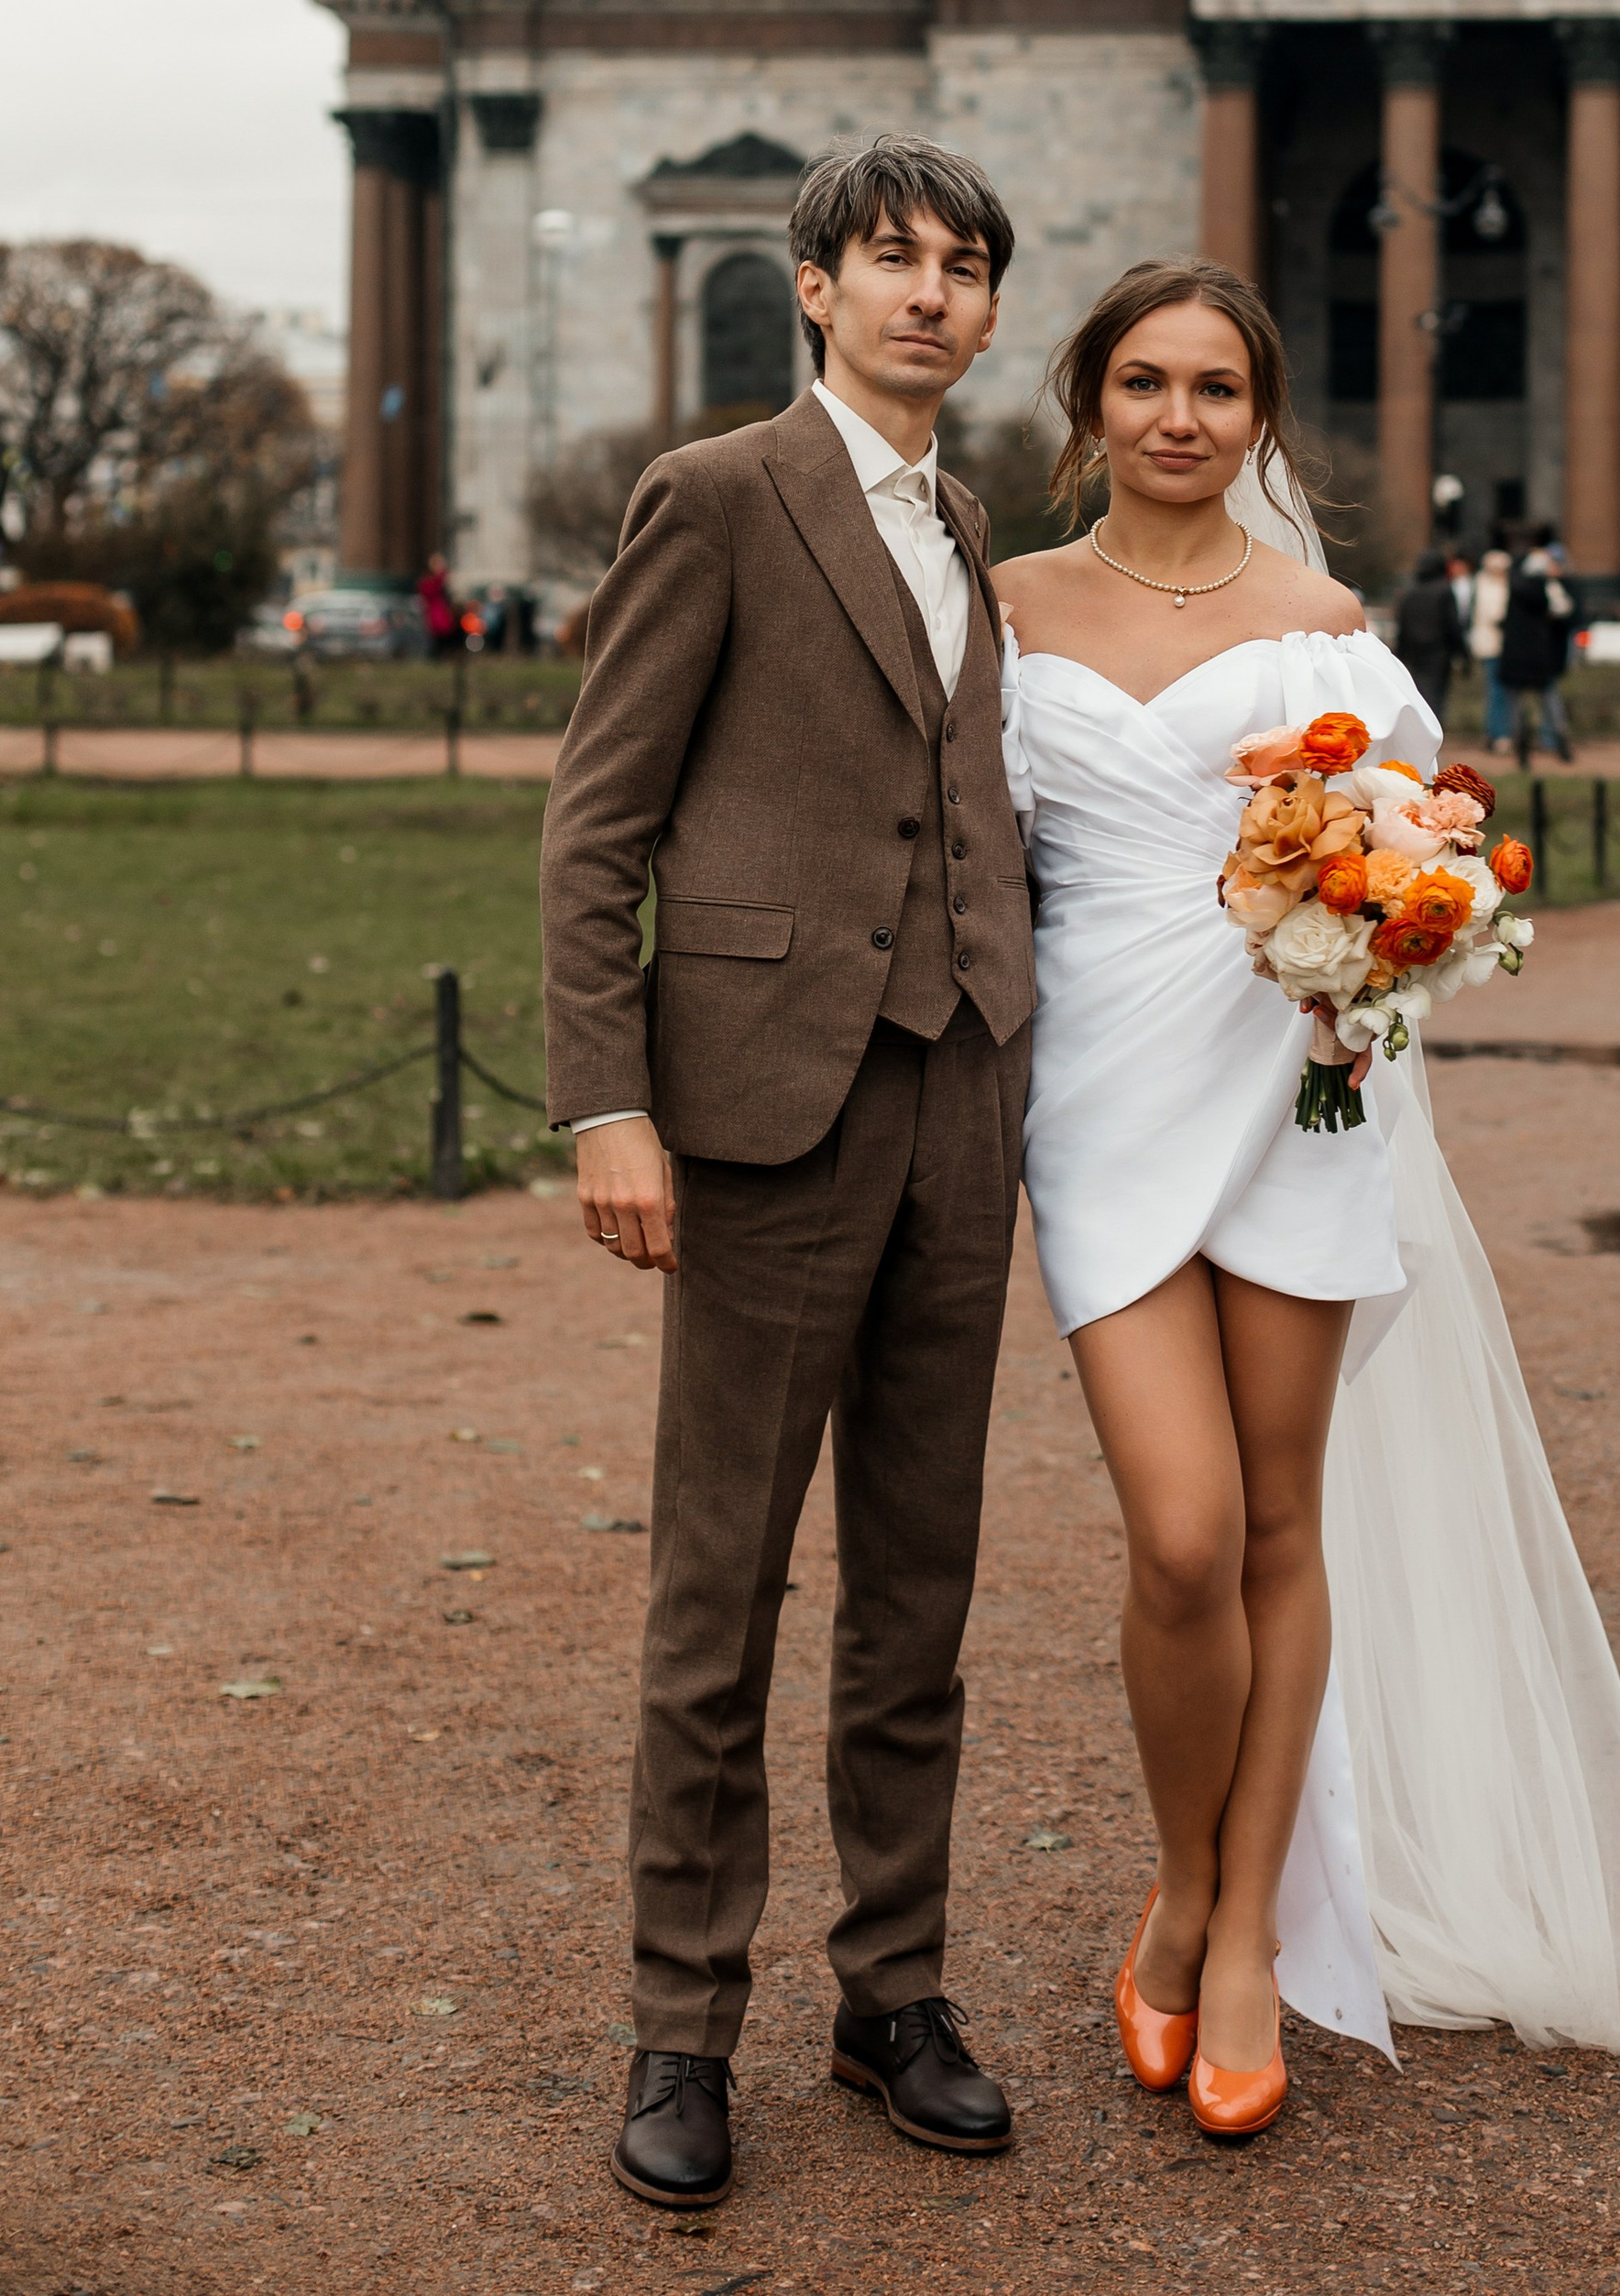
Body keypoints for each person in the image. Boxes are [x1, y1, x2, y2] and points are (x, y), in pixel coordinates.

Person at [993, 262, 1620, 2142]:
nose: (1178, 417)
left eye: (1216, 388)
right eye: (1144, 381)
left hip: (1298, 1089)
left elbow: (1421, 860)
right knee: (1182, 1539)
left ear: (1261, 418)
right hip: (1102, 1101)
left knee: (1280, 1523)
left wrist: (1388, 934)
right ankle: (1187, 1877)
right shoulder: (1007, 608)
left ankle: (1240, 1940)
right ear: (1090, 404)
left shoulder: (1321, 630)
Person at [539, 137, 1035, 2212]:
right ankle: (682, 2025)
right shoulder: (717, 495)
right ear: (814, 288)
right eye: (892, 259)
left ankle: (890, 1992)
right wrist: (606, 1102)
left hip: (957, 1100)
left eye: (964, 266)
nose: (931, 292)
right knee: (718, 1591)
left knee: (918, 1588)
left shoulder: (973, 521)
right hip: (759, 1107)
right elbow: (597, 824)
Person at [1498, 533, 1574, 766]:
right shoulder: (1546, 588)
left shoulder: (1514, 586)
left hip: (1514, 655)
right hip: (1539, 655)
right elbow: (1563, 609)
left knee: (1517, 708)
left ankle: (1521, 751)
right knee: (1549, 703)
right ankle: (1562, 746)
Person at [1391, 547, 1461, 734]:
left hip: (1412, 652)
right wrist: (1461, 652)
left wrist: (1400, 653)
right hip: (1438, 652)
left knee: (1417, 693)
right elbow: (1452, 623)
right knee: (1435, 694)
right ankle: (1433, 732)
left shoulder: (1410, 591)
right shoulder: (1444, 590)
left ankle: (1417, 731)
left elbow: (1402, 623)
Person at [1466, 542, 1513, 746]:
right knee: (1497, 691)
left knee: (1500, 691)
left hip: (1500, 645)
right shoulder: (1486, 585)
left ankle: (1498, 732)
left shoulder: (1485, 584)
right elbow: (1495, 614)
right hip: (1492, 645)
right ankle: (1498, 733)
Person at [417, 551, 461, 658]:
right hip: (436, 612)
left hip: (443, 611)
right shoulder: (429, 581)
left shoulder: (437, 580)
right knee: (439, 636)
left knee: (448, 635)